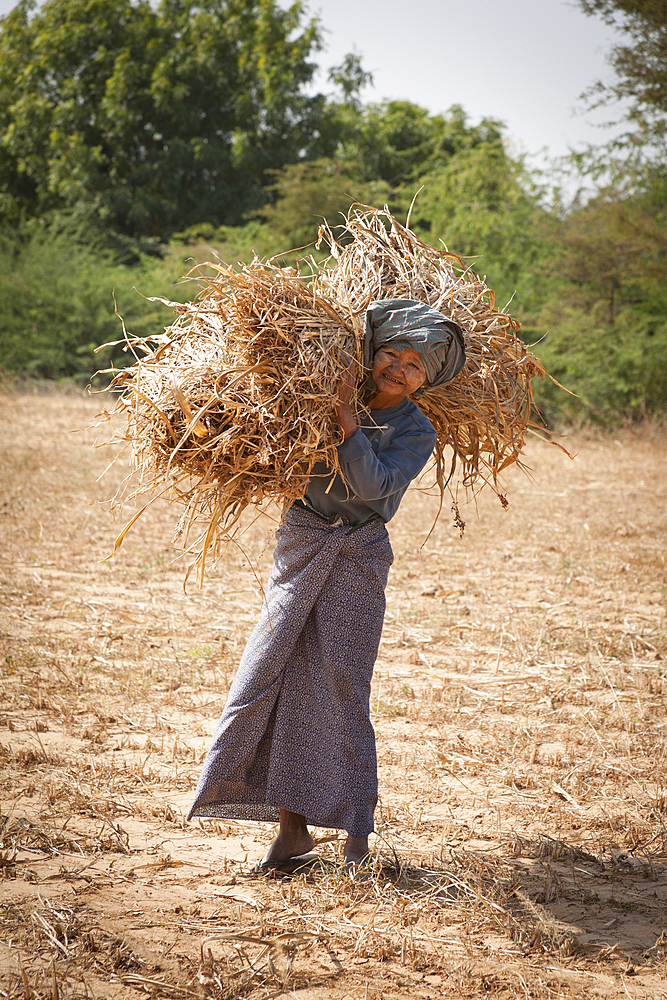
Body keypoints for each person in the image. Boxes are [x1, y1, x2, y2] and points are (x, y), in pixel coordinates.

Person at [186, 299, 466, 868]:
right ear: (372, 354)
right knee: (275, 670)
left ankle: (356, 833)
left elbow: (373, 485)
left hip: (358, 553)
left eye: (415, 364)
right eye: (392, 353)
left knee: (340, 682)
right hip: (303, 540)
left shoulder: (417, 430)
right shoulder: (314, 395)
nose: (400, 368)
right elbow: (271, 446)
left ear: (427, 379)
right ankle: (291, 833)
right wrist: (325, 409)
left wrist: (345, 422)